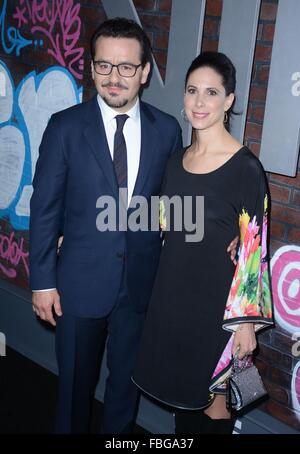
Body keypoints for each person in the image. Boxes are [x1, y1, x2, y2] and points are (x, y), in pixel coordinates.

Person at [30, 18, 237, 434]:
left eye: (126, 67)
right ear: (91, 68)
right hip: (77, 285)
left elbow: (180, 201)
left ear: (144, 72)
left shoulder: (167, 130)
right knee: (73, 391)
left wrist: (229, 236)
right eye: (104, 65)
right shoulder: (65, 127)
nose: (114, 77)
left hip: (143, 287)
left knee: (125, 391)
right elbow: (44, 209)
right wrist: (42, 282)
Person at [132, 51, 274, 434]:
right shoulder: (175, 161)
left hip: (220, 311)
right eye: (192, 90)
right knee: (184, 399)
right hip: (174, 300)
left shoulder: (245, 167)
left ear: (229, 101)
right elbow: (165, 225)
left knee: (216, 405)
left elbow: (253, 250)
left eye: (211, 93)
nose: (199, 102)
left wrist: (245, 326)